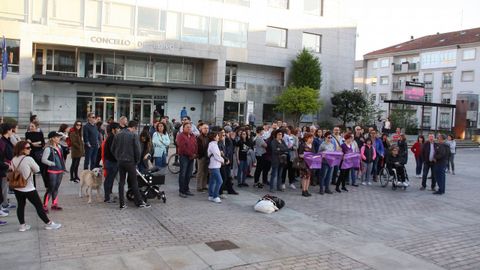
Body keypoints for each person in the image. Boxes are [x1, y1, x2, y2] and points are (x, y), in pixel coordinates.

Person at [10, 141, 62, 231]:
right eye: (27, 148)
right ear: (21, 149)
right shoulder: (28, 159)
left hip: (17, 186)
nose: (30, 149)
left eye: (30, 147)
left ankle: (22, 225)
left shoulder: (13, 159)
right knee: (38, 206)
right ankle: (48, 223)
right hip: (28, 187)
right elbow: (37, 169)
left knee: (21, 205)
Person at [111, 121, 150, 208]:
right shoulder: (133, 135)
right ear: (134, 127)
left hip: (120, 161)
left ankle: (122, 204)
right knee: (134, 182)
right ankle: (139, 202)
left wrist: (118, 157)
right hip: (130, 161)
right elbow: (138, 150)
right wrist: (137, 161)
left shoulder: (118, 134)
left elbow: (112, 148)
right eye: (135, 129)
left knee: (121, 182)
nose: (135, 131)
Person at [42, 131, 66, 212]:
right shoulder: (48, 148)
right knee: (50, 188)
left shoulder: (59, 146)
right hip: (52, 171)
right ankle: (44, 205)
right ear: (52, 138)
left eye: (59, 137)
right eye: (57, 137)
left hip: (60, 170)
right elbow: (43, 160)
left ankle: (54, 204)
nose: (59, 138)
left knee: (56, 188)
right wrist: (51, 163)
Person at [176, 122, 197, 198]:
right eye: (187, 127)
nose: (189, 128)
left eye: (190, 127)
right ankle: (181, 191)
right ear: (183, 128)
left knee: (189, 174)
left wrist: (195, 154)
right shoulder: (180, 136)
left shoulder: (192, 135)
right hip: (184, 157)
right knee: (183, 174)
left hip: (192, 157)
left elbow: (195, 145)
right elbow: (182, 148)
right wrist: (191, 154)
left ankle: (186, 189)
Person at [102, 122, 120, 203]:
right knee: (109, 180)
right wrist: (118, 157)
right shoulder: (112, 138)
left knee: (110, 179)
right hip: (111, 162)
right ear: (113, 130)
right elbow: (113, 151)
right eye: (118, 128)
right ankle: (107, 197)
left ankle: (109, 195)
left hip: (112, 161)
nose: (119, 130)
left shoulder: (112, 137)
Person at [0, 123, 16, 214]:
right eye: (11, 130)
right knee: (3, 187)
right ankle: (3, 204)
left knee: (5, 187)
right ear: (8, 130)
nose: (12, 132)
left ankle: (4, 203)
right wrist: (7, 164)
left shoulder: (7, 140)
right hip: (4, 167)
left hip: (7, 166)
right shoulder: (2, 141)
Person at [25, 122, 46, 187]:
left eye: (32, 126)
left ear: (36, 127)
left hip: (39, 153)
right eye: (30, 126)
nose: (30, 128)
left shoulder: (40, 133)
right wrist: (35, 143)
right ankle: (32, 185)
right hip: (30, 153)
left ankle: (46, 184)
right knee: (31, 170)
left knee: (42, 169)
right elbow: (27, 143)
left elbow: (42, 143)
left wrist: (34, 143)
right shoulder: (27, 133)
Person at [207, 131, 224, 203]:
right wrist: (222, 160)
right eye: (217, 136)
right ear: (214, 137)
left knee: (212, 181)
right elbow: (217, 156)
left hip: (214, 165)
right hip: (214, 165)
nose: (218, 137)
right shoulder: (213, 145)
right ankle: (215, 196)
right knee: (220, 181)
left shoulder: (212, 144)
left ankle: (211, 195)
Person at [298, 133, 313, 197]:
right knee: (304, 177)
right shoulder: (303, 145)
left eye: (312, 138)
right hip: (304, 163)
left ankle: (307, 190)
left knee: (309, 177)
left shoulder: (312, 145)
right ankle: (303, 190)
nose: (312, 139)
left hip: (310, 163)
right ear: (306, 138)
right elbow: (300, 155)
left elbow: (314, 153)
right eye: (310, 138)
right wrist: (306, 156)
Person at [195, 123, 209, 192]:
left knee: (206, 172)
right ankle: (199, 186)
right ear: (201, 129)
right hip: (201, 157)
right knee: (200, 172)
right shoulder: (199, 137)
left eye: (207, 128)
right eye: (205, 128)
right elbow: (198, 148)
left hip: (207, 157)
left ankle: (204, 185)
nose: (206, 130)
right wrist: (200, 155)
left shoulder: (208, 137)